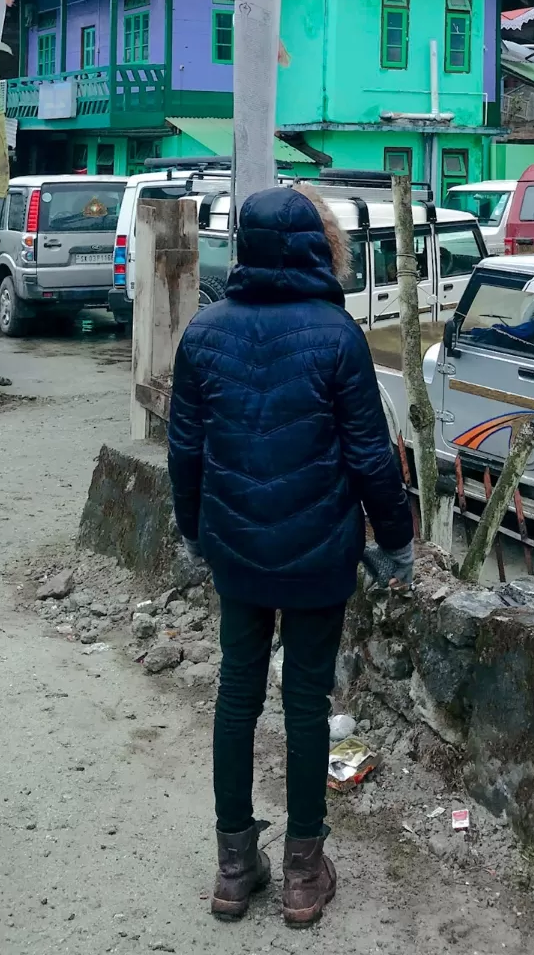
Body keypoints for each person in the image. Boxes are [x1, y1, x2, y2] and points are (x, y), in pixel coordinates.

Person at [168, 185, 414, 927]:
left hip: (236, 545)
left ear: (244, 248)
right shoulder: (334, 335)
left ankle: (235, 869)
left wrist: (191, 529)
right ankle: (305, 874)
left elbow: (186, 449)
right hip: (319, 552)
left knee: (236, 694)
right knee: (307, 703)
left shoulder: (204, 333)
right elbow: (371, 454)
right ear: (315, 247)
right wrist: (396, 538)